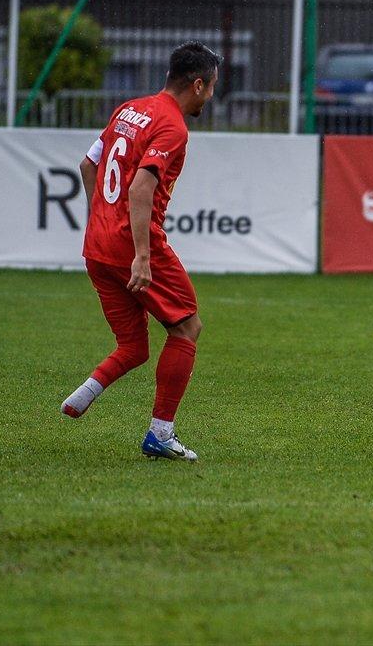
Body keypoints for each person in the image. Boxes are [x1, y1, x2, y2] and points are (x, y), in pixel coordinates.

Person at [61, 42, 222, 462]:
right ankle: (161, 434)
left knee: (133, 346)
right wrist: (143, 255)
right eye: (212, 88)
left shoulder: (129, 109)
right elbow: (140, 187)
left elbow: (86, 165)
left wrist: (101, 219)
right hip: (132, 244)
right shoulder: (172, 126)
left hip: (97, 245)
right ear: (199, 84)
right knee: (187, 327)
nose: (211, 97)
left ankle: (80, 397)